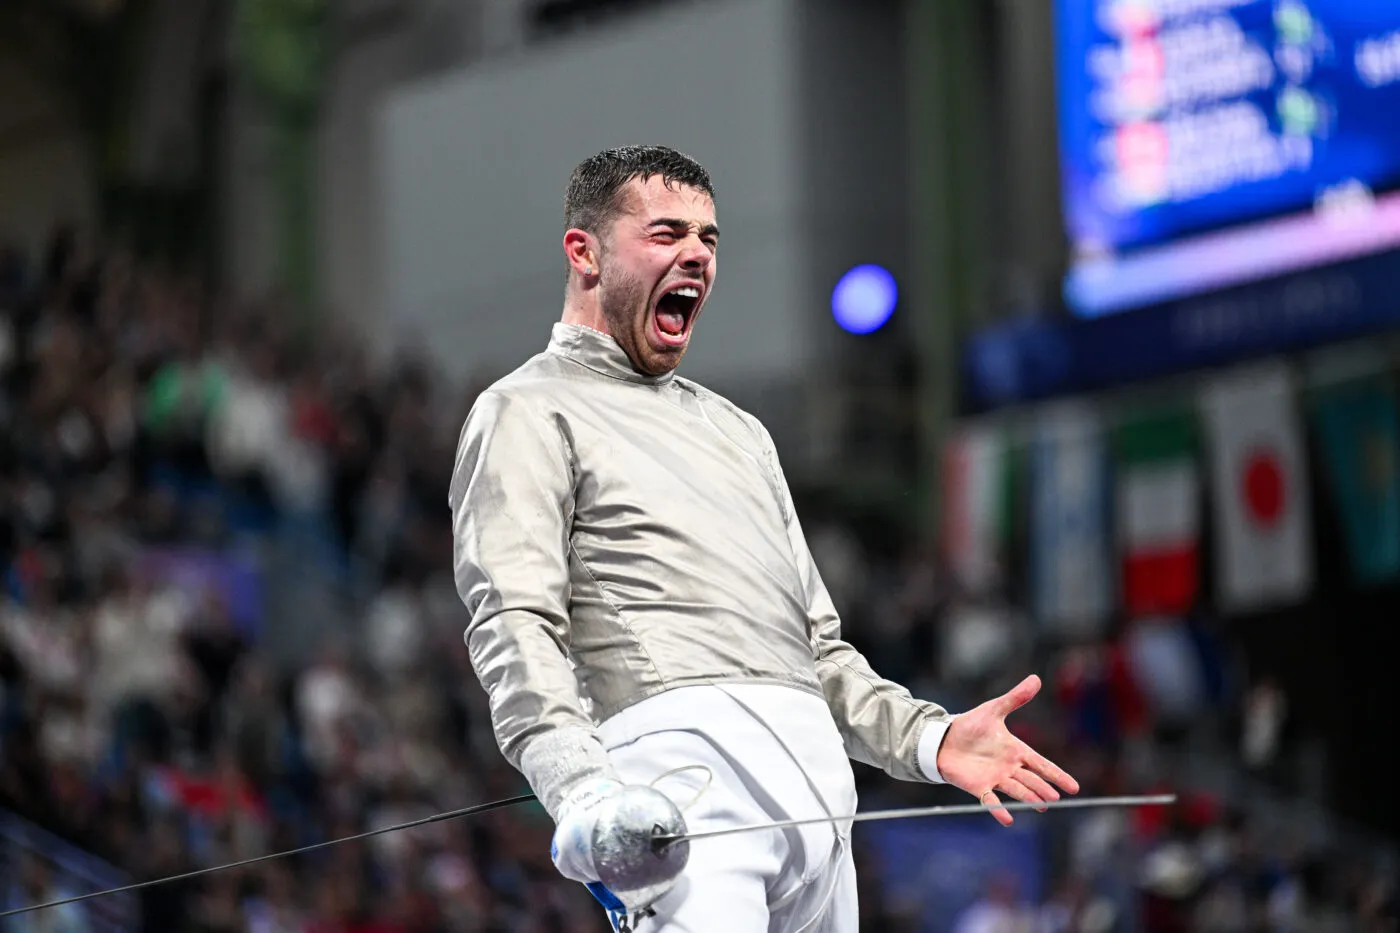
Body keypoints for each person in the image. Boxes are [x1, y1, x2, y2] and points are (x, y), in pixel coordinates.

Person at [449, 146, 1079, 932]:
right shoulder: (526, 408)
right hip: (680, 792)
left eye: (709, 239)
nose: (696, 256)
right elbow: (513, 623)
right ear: (585, 252)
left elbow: (819, 652)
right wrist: (582, 787)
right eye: (666, 233)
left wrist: (929, 737)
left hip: (821, 803)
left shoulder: (741, 434)